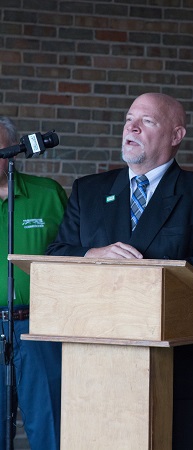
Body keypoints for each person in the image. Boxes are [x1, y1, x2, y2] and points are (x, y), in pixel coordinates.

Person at [46, 92, 193, 449]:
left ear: (176, 136)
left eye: (146, 121)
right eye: (129, 119)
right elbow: (58, 254)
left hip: (172, 366)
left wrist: (144, 273)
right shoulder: (89, 190)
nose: (130, 127)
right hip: (92, 371)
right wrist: (93, 254)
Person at [0, 117, 68, 450]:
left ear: (12, 152)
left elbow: (74, 255)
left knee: (51, 428)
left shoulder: (47, 194)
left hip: (39, 328)